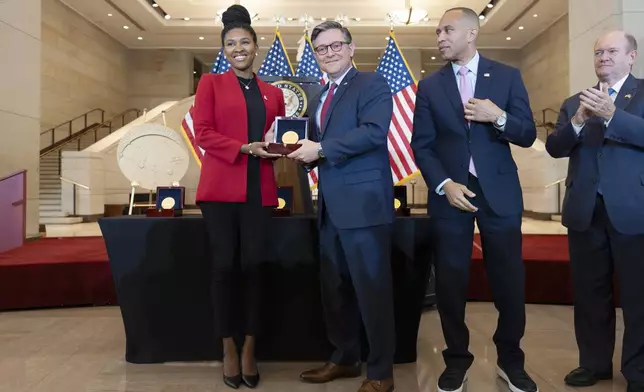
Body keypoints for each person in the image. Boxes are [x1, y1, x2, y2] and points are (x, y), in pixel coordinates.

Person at [410, 7, 538, 392]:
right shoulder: (430, 86)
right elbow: (422, 144)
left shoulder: (507, 76)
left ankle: (511, 361)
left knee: (509, 280)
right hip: (452, 193)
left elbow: (528, 133)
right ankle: (457, 360)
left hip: (498, 192)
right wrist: (444, 183)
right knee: (450, 281)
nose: (441, 38)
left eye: (448, 30)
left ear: (472, 33)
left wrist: (497, 117)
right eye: (437, 32)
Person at [286, 20, 396, 392]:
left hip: (365, 208)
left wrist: (321, 149)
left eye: (336, 46)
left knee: (372, 291)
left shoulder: (372, 84)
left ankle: (380, 371)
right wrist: (289, 146)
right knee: (336, 290)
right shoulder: (319, 97)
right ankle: (345, 358)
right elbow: (315, 146)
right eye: (321, 49)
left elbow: (373, 132)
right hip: (330, 209)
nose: (329, 53)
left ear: (351, 48)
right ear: (315, 55)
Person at [545, 31, 644, 392]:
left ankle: (638, 372)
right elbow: (555, 147)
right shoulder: (575, 101)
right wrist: (577, 122)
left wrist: (613, 115)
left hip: (633, 210)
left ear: (631, 56)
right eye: (598, 52)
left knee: (638, 297)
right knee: (589, 294)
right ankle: (594, 364)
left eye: (612, 51)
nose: (603, 57)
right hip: (585, 211)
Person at [192, 4, 284, 389]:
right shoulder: (210, 84)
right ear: (224, 50)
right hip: (219, 192)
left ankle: (250, 346)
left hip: (259, 192)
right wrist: (245, 148)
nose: (238, 48)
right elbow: (204, 133)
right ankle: (227, 346)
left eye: (244, 42)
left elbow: (281, 139)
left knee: (254, 269)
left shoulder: (273, 93)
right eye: (231, 44)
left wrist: (287, 147)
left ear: (255, 45)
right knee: (224, 269)